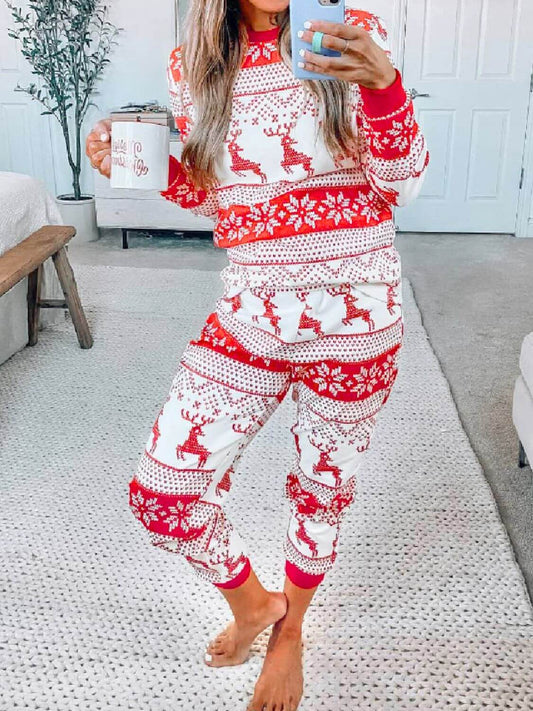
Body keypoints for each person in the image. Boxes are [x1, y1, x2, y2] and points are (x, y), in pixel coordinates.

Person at [86, 1, 429, 709]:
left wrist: (384, 85)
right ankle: (253, 604)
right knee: (163, 491)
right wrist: (150, 170)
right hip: (252, 308)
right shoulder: (194, 61)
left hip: (356, 310)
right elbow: (221, 200)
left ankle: (290, 630)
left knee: (320, 485)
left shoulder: (351, 29)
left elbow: (403, 185)